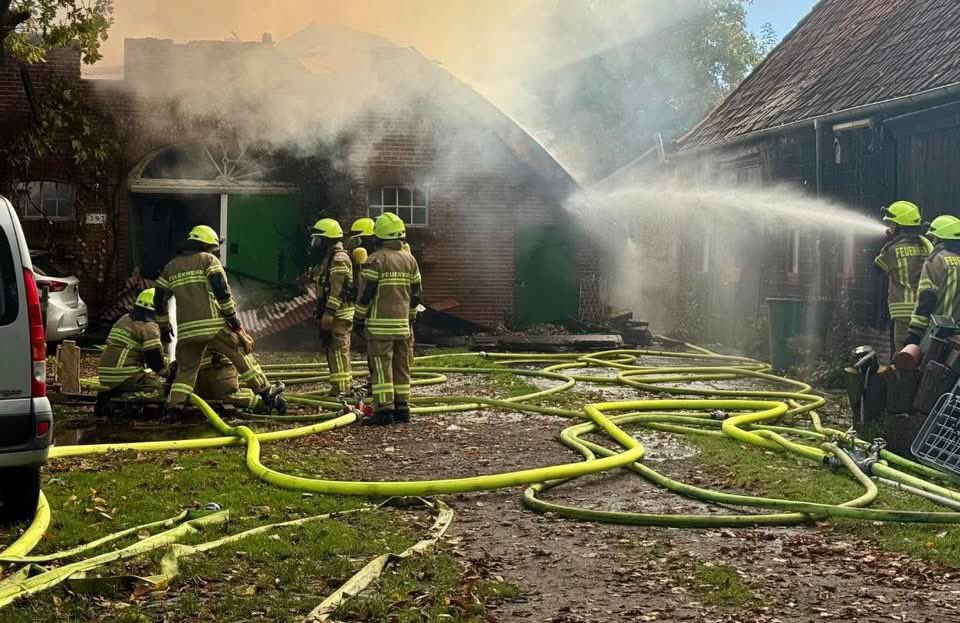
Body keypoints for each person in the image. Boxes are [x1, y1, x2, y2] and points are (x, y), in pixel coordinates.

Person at [154, 225, 285, 419]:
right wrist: (235, 324)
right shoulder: (209, 260)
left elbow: (159, 298)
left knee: (186, 371)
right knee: (239, 354)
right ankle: (265, 392)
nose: (214, 252)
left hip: (187, 330)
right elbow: (222, 293)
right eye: (213, 248)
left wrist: (164, 326)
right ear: (207, 245)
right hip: (213, 325)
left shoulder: (171, 267)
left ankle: (174, 410)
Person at [354, 212, 422, 426]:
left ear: (379, 236)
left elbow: (366, 294)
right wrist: (410, 319)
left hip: (379, 326)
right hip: (403, 326)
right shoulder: (410, 260)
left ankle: (384, 410)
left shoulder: (376, 260)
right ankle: (403, 408)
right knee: (402, 366)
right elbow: (417, 294)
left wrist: (358, 318)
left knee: (382, 367)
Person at [874, 201, 932, 348]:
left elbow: (878, 267)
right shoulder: (926, 246)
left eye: (892, 224)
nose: (889, 227)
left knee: (903, 355)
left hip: (903, 311)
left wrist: (888, 242)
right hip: (924, 310)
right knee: (921, 351)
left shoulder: (892, 249)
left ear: (900, 226)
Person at [311, 218, 355, 397]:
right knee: (332, 349)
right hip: (333, 312)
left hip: (339, 314)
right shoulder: (329, 258)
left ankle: (343, 388)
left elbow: (338, 290)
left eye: (319, 239)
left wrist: (329, 313)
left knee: (339, 349)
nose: (316, 243)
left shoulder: (338, 259)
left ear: (328, 239)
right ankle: (338, 386)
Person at [97, 288, 167, 393]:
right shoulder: (148, 327)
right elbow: (154, 358)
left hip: (105, 374)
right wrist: (168, 373)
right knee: (160, 389)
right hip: (125, 375)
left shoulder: (124, 319)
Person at [906, 215, 960, 345]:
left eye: (933, 237)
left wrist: (915, 331)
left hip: (939, 334)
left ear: (938, 238)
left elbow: (927, 296)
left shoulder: (936, 260)